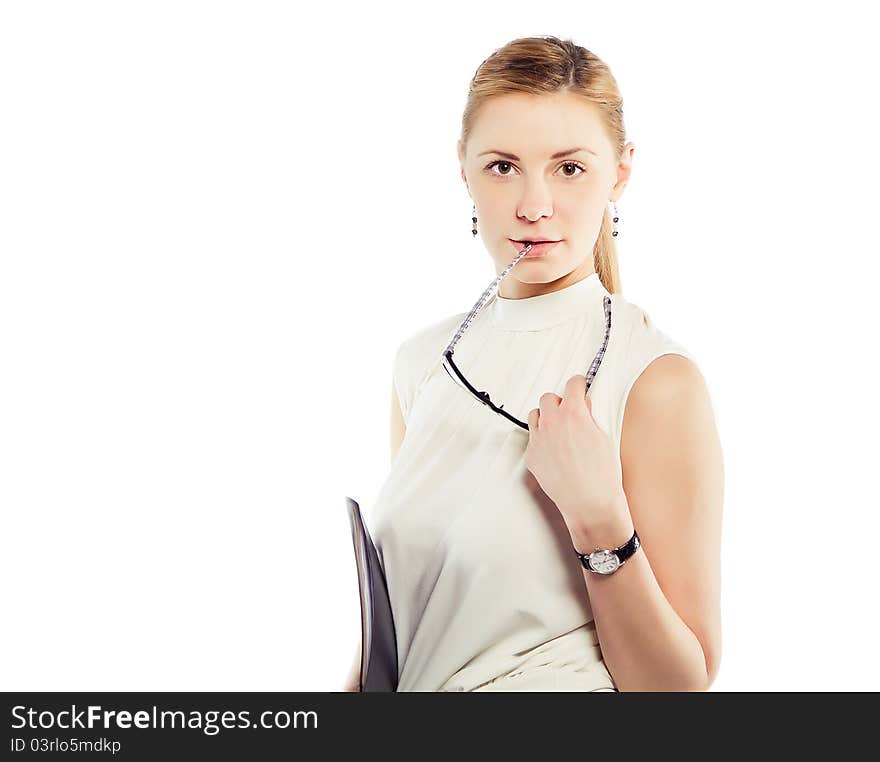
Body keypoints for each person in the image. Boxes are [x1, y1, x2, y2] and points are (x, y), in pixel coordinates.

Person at [343, 35, 723, 692]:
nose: (534, 205)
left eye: (569, 168)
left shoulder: (654, 381)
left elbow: (676, 689)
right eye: (502, 166)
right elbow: (404, 632)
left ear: (621, 172)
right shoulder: (424, 365)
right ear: (463, 170)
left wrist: (596, 513)